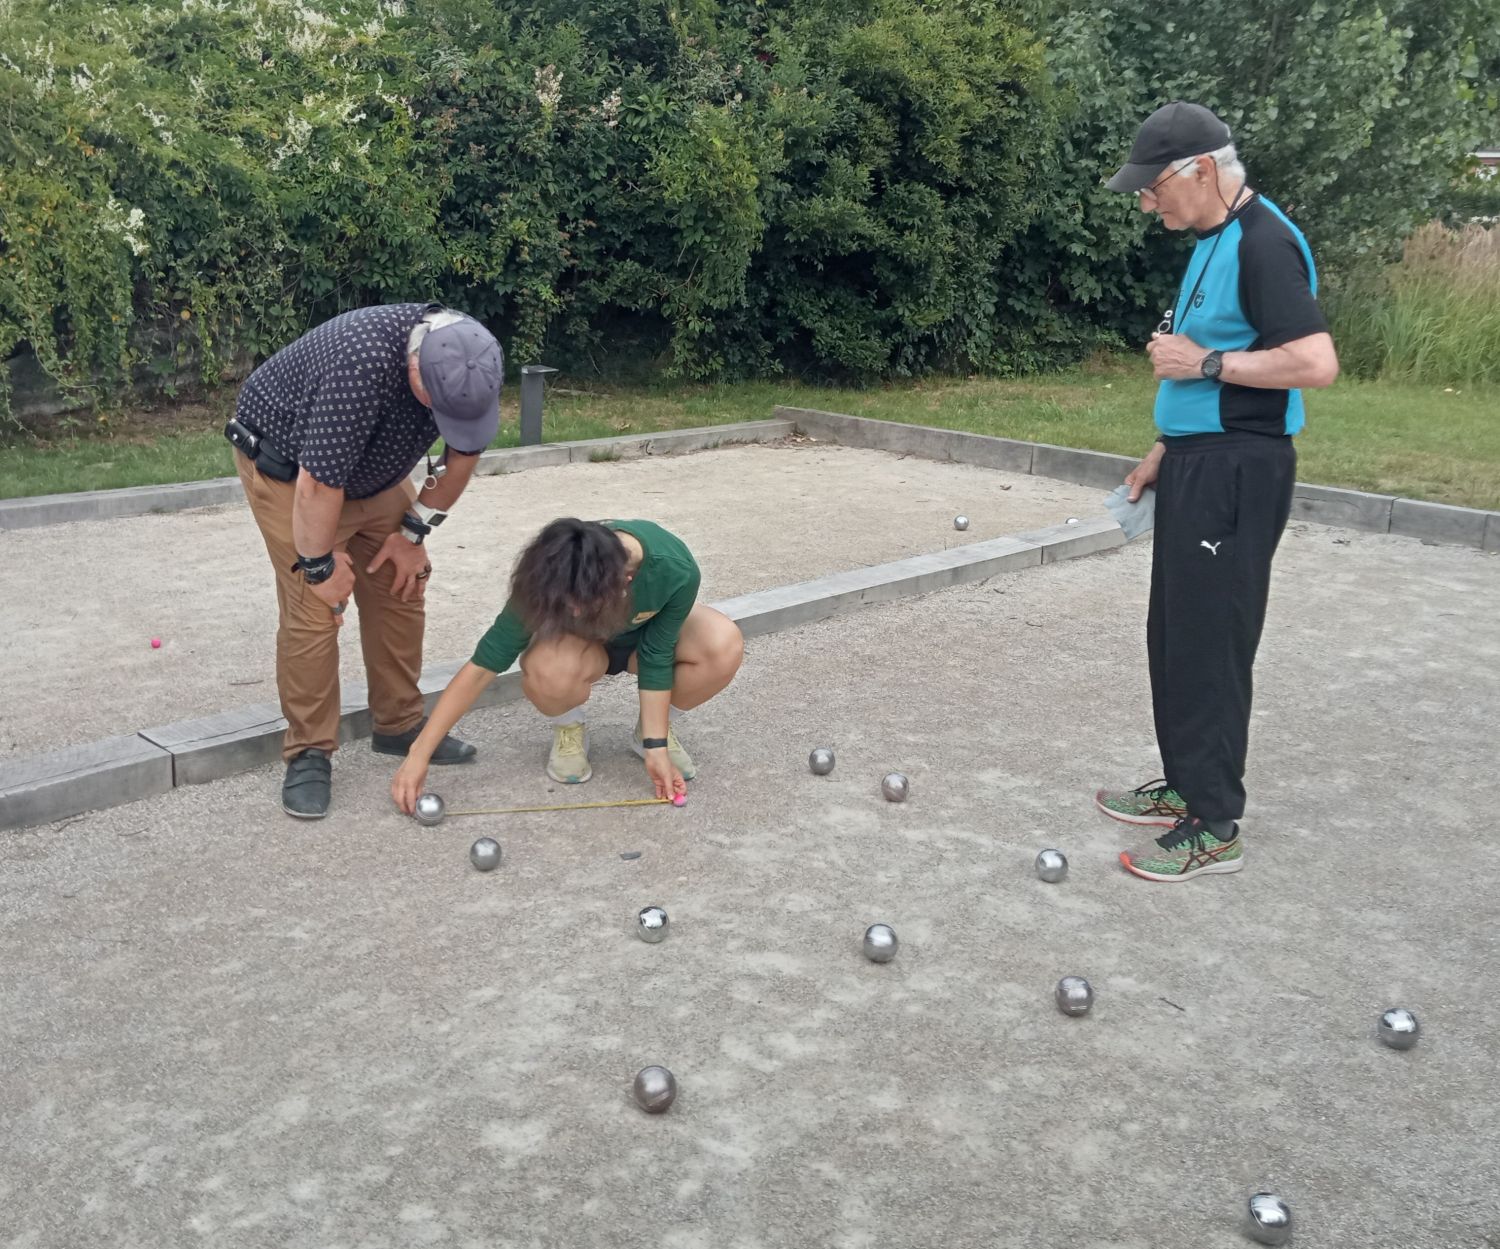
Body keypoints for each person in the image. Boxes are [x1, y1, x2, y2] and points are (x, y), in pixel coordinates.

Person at [1094, 102, 1339, 881]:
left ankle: (1216, 822)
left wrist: (1203, 366)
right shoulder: (1212, 239)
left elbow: (1313, 362)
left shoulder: (1265, 242)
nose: (1145, 202)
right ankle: (1184, 783)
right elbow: (1214, 353)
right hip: (1199, 463)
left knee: (1212, 640)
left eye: (1152, 187)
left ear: (1200, 170)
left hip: (1241, 470)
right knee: (1175, 631)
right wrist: (1164, 448)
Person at [232, 303, 504, 819]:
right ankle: (309, 751)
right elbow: (319, 486)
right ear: (413, 370)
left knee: (404, 582)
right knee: (314, 610)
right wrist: (319, 567)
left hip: (374, 473)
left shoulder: (473, 354)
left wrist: (414, 531)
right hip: (290, 471)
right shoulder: (359, 367)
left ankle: (399, 725)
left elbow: (463, 455)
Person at [390, 518, 743, 812]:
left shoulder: (675, 567)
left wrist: (656, 746)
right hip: (579, 654)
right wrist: (418, 753)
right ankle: (569, 728)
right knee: (547, 667)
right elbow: (483, 665)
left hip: (641, 645)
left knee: (722, 642)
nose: (572, 612)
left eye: (582, 603)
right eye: (566, 603)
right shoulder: (552, 571)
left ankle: (653, 730)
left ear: (626, 581)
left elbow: (656, 654)